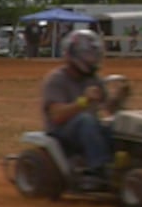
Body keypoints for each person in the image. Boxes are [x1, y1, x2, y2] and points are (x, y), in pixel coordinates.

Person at [40, 28, 115, 190]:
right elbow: (56, 116)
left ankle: (121, 166)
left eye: (94, 55)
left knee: (115, 125)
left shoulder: (93, 79)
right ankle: (97, 170)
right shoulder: (56, 80)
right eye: (89, 55)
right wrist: (83, 101)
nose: (92, 59)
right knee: (85, 120)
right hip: (61, 133)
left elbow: (109, 108)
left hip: (89, 129)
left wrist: (120, 98)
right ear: (74, 55)